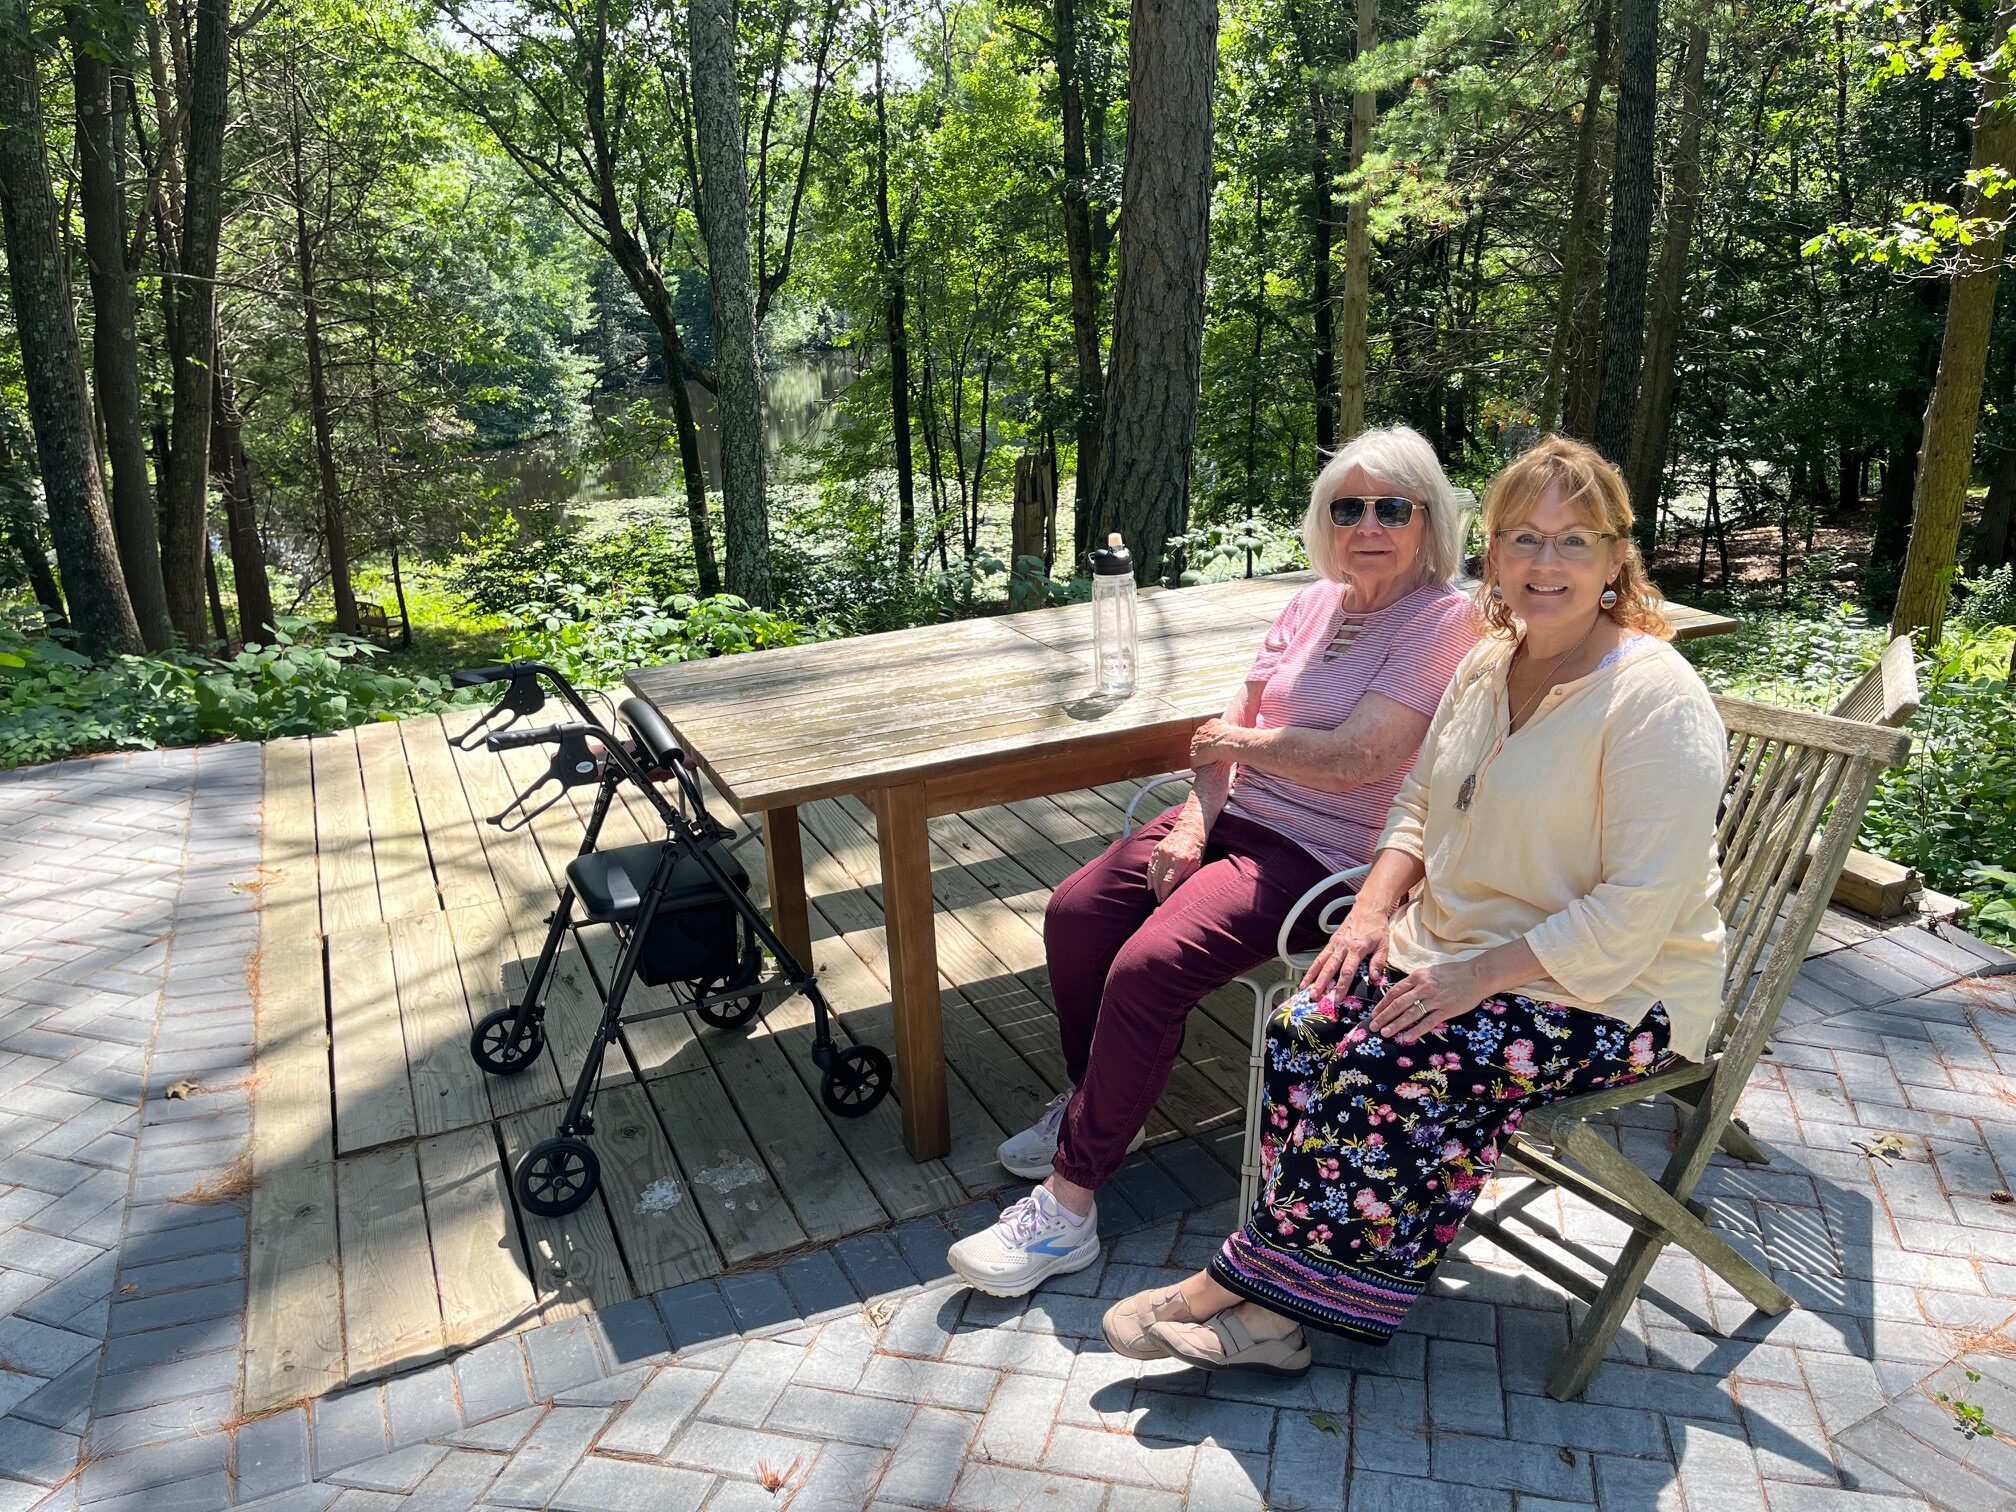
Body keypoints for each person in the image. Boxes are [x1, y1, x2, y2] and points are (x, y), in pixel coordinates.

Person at [1099, 434, 1729, 1374]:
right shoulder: (1488, 664)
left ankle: (1235, 1287)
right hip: (1455, 944)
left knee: (1399, 1054)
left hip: (1612, 992)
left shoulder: (1650, 695)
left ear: (1614, 557)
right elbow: (1420, 804)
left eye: (1572, 541)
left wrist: (1470, 977)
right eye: (1522, 538)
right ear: (1493, 554)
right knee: (1309, 1021)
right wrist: (1367, 914)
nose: (1543, 564)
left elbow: (1640, 905)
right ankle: (1281, 1318)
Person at [948, 426, 1481, 1297]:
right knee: (1077, 913)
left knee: (1150, 966)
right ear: (1325, 520)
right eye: (1348, 507)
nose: (1368, 525)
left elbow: (1357, 756)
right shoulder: (1314, 602)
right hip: (1231, 816)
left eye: (1394, 507)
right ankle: (1091, 1106)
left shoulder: (1443, 619)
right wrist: (1195, 823)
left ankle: (1069, 1206)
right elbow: (1223, 726)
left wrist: (1238, 744)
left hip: (1322, 855)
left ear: (1430, 521)